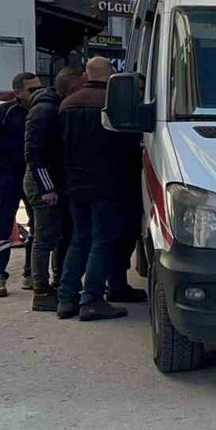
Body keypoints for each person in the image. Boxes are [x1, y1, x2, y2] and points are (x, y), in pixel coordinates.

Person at [55, 57, 139, 321]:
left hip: (75, 184)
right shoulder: (114, 104)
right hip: (108, 184)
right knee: (103, 241)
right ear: (112, 74)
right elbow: (128, 147)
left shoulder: (67, 104)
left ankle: (66, 298)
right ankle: (92, 299)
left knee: (80, 239)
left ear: (86, 75)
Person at [24, 67, 83, 311]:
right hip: (43, 183)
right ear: (71, 88)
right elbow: (34, 155)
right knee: (45, 238)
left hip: (53, 181)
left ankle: (58, 284)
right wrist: (47, 188)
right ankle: (41, 290)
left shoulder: (53, 107)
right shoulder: (44, 111)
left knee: (60, 236)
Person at [0, 72, 41, 297]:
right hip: (7, 175)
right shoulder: (6, 113)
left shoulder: (42, 110)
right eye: (32, 89)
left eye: (39, 88)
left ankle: (31, 273)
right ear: (17, 92)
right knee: (3, 225)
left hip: (34, 175)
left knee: (38, 225)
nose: (37, 93)